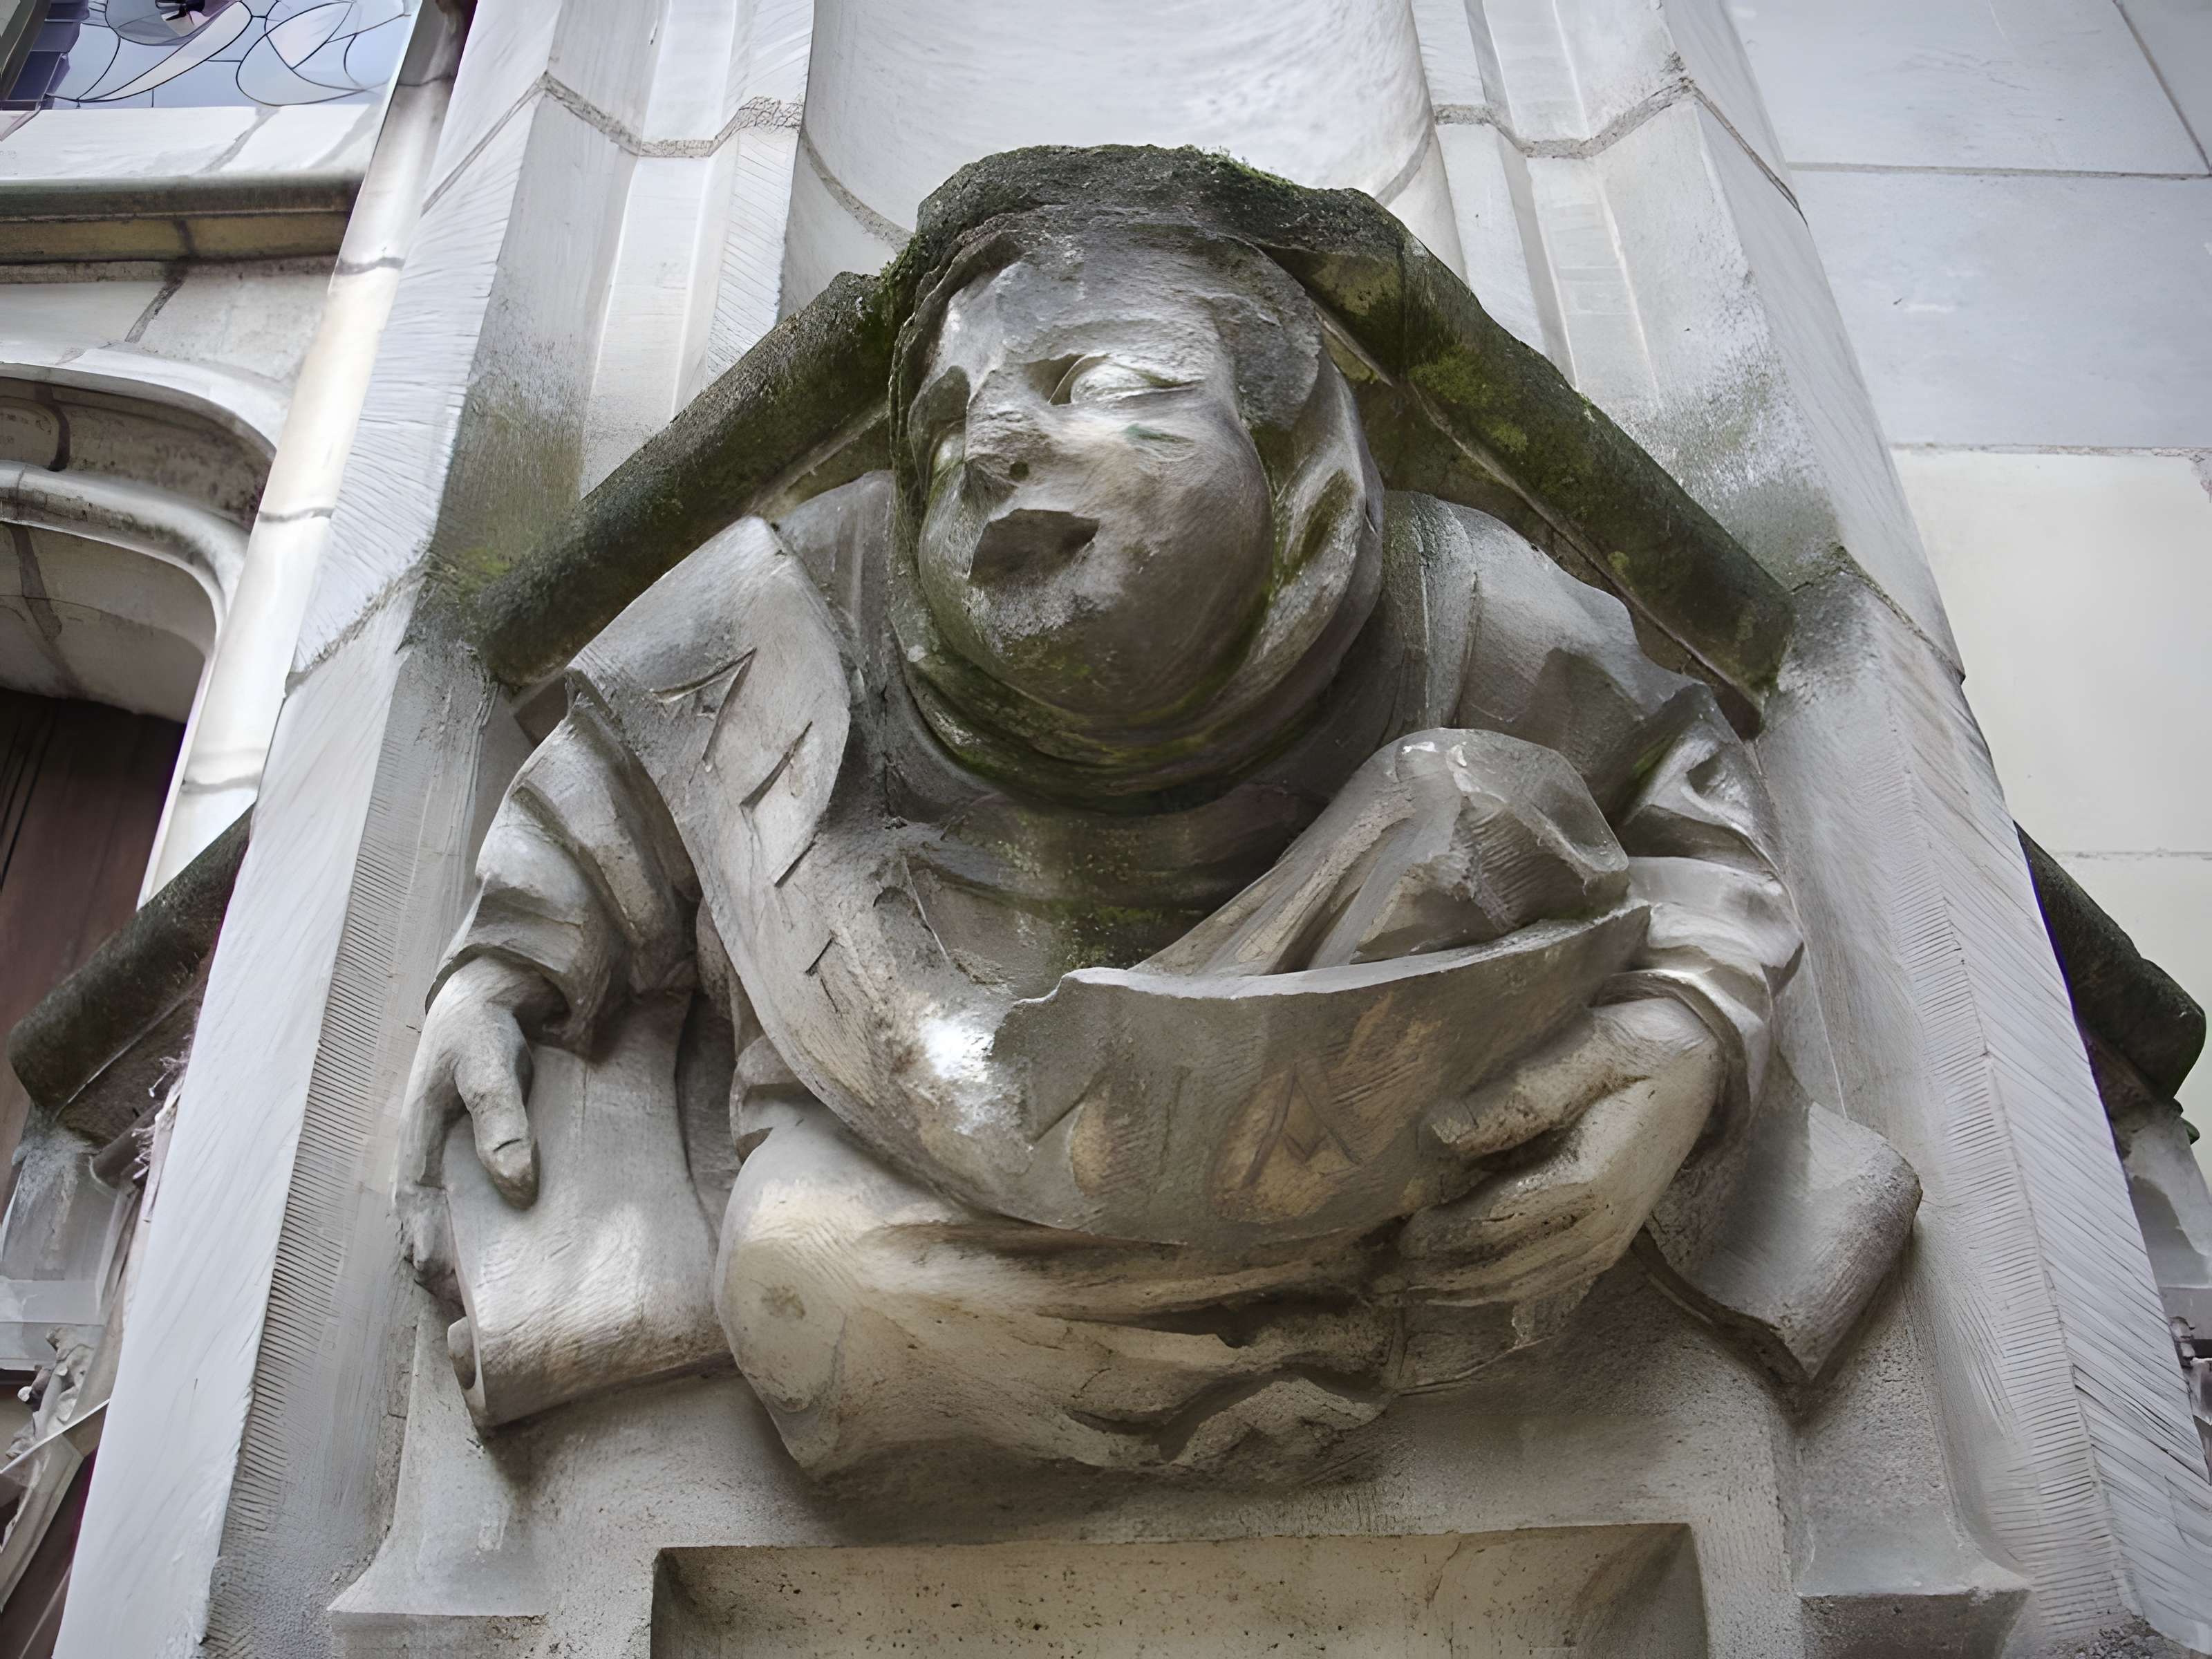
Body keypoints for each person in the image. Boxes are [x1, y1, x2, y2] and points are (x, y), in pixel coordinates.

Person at [399, 210, 1808, 1478]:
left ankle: (1326, 1266)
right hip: (917, 1127)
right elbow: (628, 770)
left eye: (1098, 381)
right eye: (942, 425)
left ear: (1284, 443)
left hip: (1353, 1108)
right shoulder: (819, 590)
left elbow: (1684, 818)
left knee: (1478, 813)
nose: (990, 447)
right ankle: (1316, 1313)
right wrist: (503, 970)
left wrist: (1678, 1048)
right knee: (805, 1285)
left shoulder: (1455, 596)